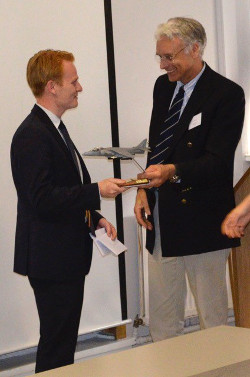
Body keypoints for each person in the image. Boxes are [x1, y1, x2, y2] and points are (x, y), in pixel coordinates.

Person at [10, 49, 126, 373]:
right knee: (57, 346)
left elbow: (64, 191)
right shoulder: (32, 135)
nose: (79, 87)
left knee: (62, 344)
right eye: (73, 81)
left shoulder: (54, 129)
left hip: (63, 258)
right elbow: (42, 199)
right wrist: (96, 191)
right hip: (51, 261)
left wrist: (95, 217)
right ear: (51, 86)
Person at [134, 17, 245, 341]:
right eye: (160, 57)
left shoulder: (226, 94)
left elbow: (218, 162)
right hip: (162, 219)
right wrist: (143, 190)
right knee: (163, 323)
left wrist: (173, 172)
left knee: (213, 322)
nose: (163, 65)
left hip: (204, 221)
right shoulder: (163, 87)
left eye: (169, 57)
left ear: (195, 49)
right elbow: (158, 145)